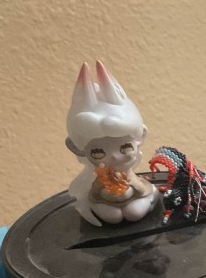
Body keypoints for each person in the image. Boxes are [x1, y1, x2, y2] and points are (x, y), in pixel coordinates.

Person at [65, 61, 156, 226]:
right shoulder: (101, 177)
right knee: (111, 216)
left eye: (125, 147)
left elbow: (140, 189)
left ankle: (148, 202)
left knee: (135, 212)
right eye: (98, 152)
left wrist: (132, 184)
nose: (114, 156)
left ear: (141, 137)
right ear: (77, 149)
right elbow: (95, 194)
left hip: (134, 199)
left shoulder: (128, 174)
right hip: (108, 204)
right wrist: (102, 187)